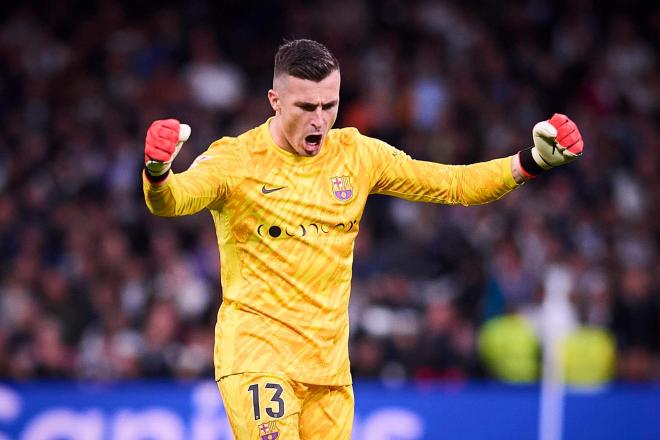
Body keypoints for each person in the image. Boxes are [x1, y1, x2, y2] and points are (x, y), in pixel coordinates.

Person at [142, 39, 583, 439]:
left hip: (329, 369)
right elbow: (174, 200)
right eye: (306, 107)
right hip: (258, 354)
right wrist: (158, 173)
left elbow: (454, 185)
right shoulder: (234, 159)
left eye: (329, 106)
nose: (319, 121)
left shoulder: (357, 155)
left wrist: (529, 162)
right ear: (275, 101)